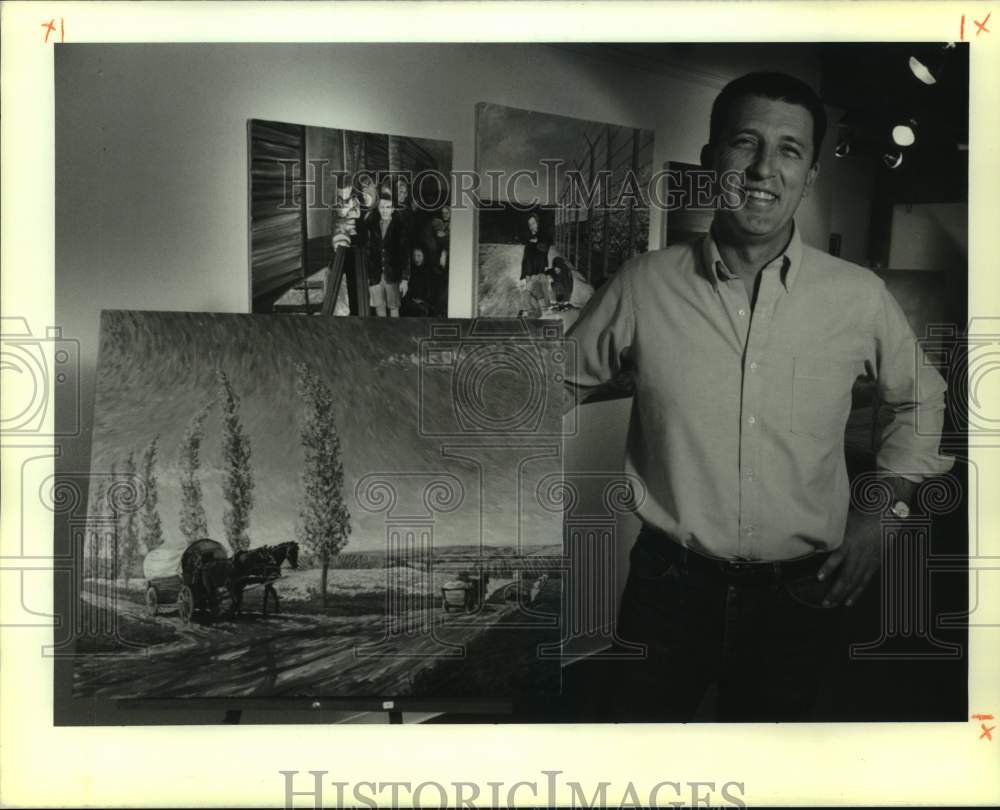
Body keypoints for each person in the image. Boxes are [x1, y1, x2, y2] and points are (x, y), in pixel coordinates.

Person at [564, 72, 953, 722]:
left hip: (801, 596)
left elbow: (924, 398)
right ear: (713, 157)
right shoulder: (643, 286)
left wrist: (885, 510)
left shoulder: (856, 296)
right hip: (668, 589)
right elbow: (537, 387)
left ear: (810, 172)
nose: (763, 169)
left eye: (789, 150)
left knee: (777, 769)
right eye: (745, 144)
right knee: (632, 757)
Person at [364, 195, 409, 317]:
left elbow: (405, 255)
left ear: (393, 209)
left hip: (393, 277)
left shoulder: (399, 227)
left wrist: (405, 279)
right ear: (378, 208)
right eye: (382, 207)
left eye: (388, 207)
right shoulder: (371, 227)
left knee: (394, 310)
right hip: (375, 277)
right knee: (379, 310)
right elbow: (367, 253)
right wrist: (368, 276)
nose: (384, 210)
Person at [518, 213, 551, 317]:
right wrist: (524, 274)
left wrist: (537, 242)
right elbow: (526, 258)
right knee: (531, 292)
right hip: (529, 271)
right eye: (529, 224)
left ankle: (541, 312)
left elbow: (545, 248)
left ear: (537, 222)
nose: (531, 226)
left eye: (533, 223)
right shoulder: (529, 238)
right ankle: (530, 312)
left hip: (539, 271)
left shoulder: (544, 235)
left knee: (538, 292)